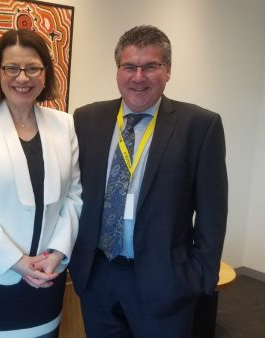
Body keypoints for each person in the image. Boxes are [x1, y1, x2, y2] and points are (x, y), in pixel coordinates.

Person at [69, 25, 228, 337]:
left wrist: (199, 278)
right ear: (118, 70)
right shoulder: (86, 119)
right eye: (129, 66)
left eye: (150, 66)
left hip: (165, 284)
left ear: (167, 70)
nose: (138, 77)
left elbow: (213, 212)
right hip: (97, 277)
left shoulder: (200, 126)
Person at [0, 29, 82, 338]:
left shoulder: (64, 124)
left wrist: (57, 254)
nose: (22, 77)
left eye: (32, 67)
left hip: (46, 281)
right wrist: (17, 262)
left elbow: (75, 197)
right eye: (12, 67)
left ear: (45, 73)